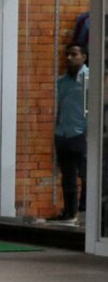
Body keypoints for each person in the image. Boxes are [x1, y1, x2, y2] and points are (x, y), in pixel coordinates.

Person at [53, 43, 89, 223]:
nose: (69, 58)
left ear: (84, 57)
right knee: (67, 176)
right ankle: (69, 212)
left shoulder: (90, 79)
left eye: (74, 54)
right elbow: (58, 107)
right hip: (63, 133)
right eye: (67, 54)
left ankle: (85, 214)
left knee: (87, 174)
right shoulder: (62, 81)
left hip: (82, 133)